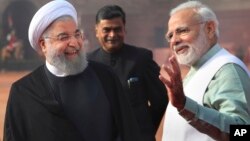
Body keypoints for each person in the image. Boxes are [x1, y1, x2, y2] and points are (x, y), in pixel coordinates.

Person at [3, 1, 143, 141]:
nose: (75, 43)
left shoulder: (105, 77)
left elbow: (128, 132)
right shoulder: (23, 93)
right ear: (43, 45)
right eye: (63, 37)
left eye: (77, 34)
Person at [159, 1, 250, 141]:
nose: (174, 41)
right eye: (170, 36)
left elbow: (242, 131)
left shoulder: (228, 70)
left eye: (182, 31)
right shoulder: (196, 70)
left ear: (209, 29)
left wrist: (185, 106)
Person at [87, 5, 168, 141]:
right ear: (97, 31)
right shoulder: (87, 63)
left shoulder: (141, 59)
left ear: (124, 29)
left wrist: (145, 129)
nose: (112, 35)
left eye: (117, 29)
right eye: (106, 30)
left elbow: (160, 100)